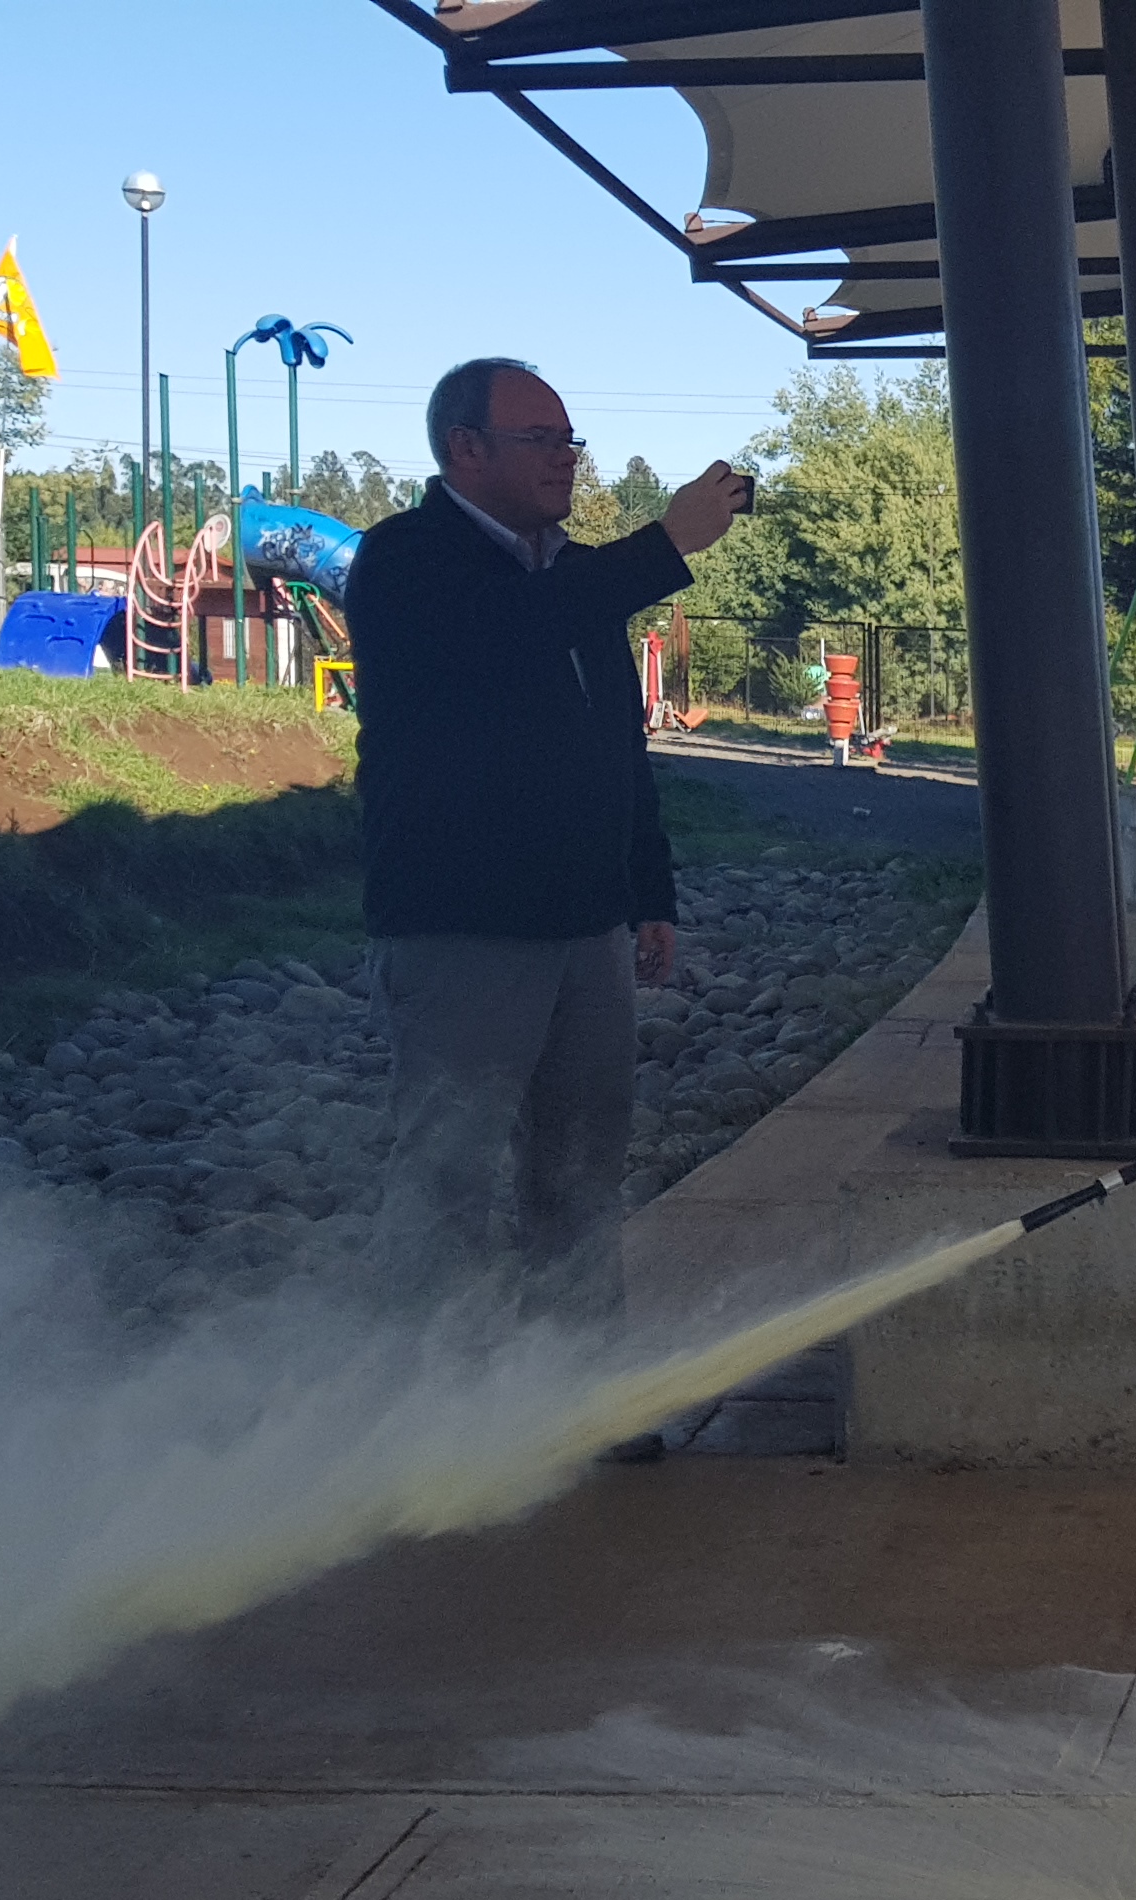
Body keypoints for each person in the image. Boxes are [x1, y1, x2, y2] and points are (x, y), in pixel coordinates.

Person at [347, 357, 749, 1374]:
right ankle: (410, 1413)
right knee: (444, 1181)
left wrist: (647, 892)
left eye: (570, 440)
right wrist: (665, 543)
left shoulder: (572, 579)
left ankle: (573, 1397)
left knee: (579, 1179)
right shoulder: (406, 563)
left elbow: (617, 750)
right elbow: (507, 637)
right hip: (462, 930)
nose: (566, 458)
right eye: (542, 439)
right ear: (463, 449)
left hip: (587, 927)